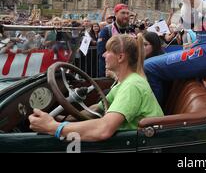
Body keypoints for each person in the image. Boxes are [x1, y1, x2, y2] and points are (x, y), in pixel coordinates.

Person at [29, 34, 164, 142]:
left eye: (108, 51)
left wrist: (53, 127)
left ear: (121, 57)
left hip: (142, 143)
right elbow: (96, 108)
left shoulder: (132, 86)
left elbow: (104, 130)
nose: (104, 55)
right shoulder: (125, 82)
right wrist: (62, 118)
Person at [97, 4, 135, 77]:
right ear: (116, 14)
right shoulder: (107, 30)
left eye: (128, 13)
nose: (126, 16)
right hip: (110, 72)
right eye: (123, 13)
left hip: (127, 71)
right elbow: (101, 53)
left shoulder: (131, 30)